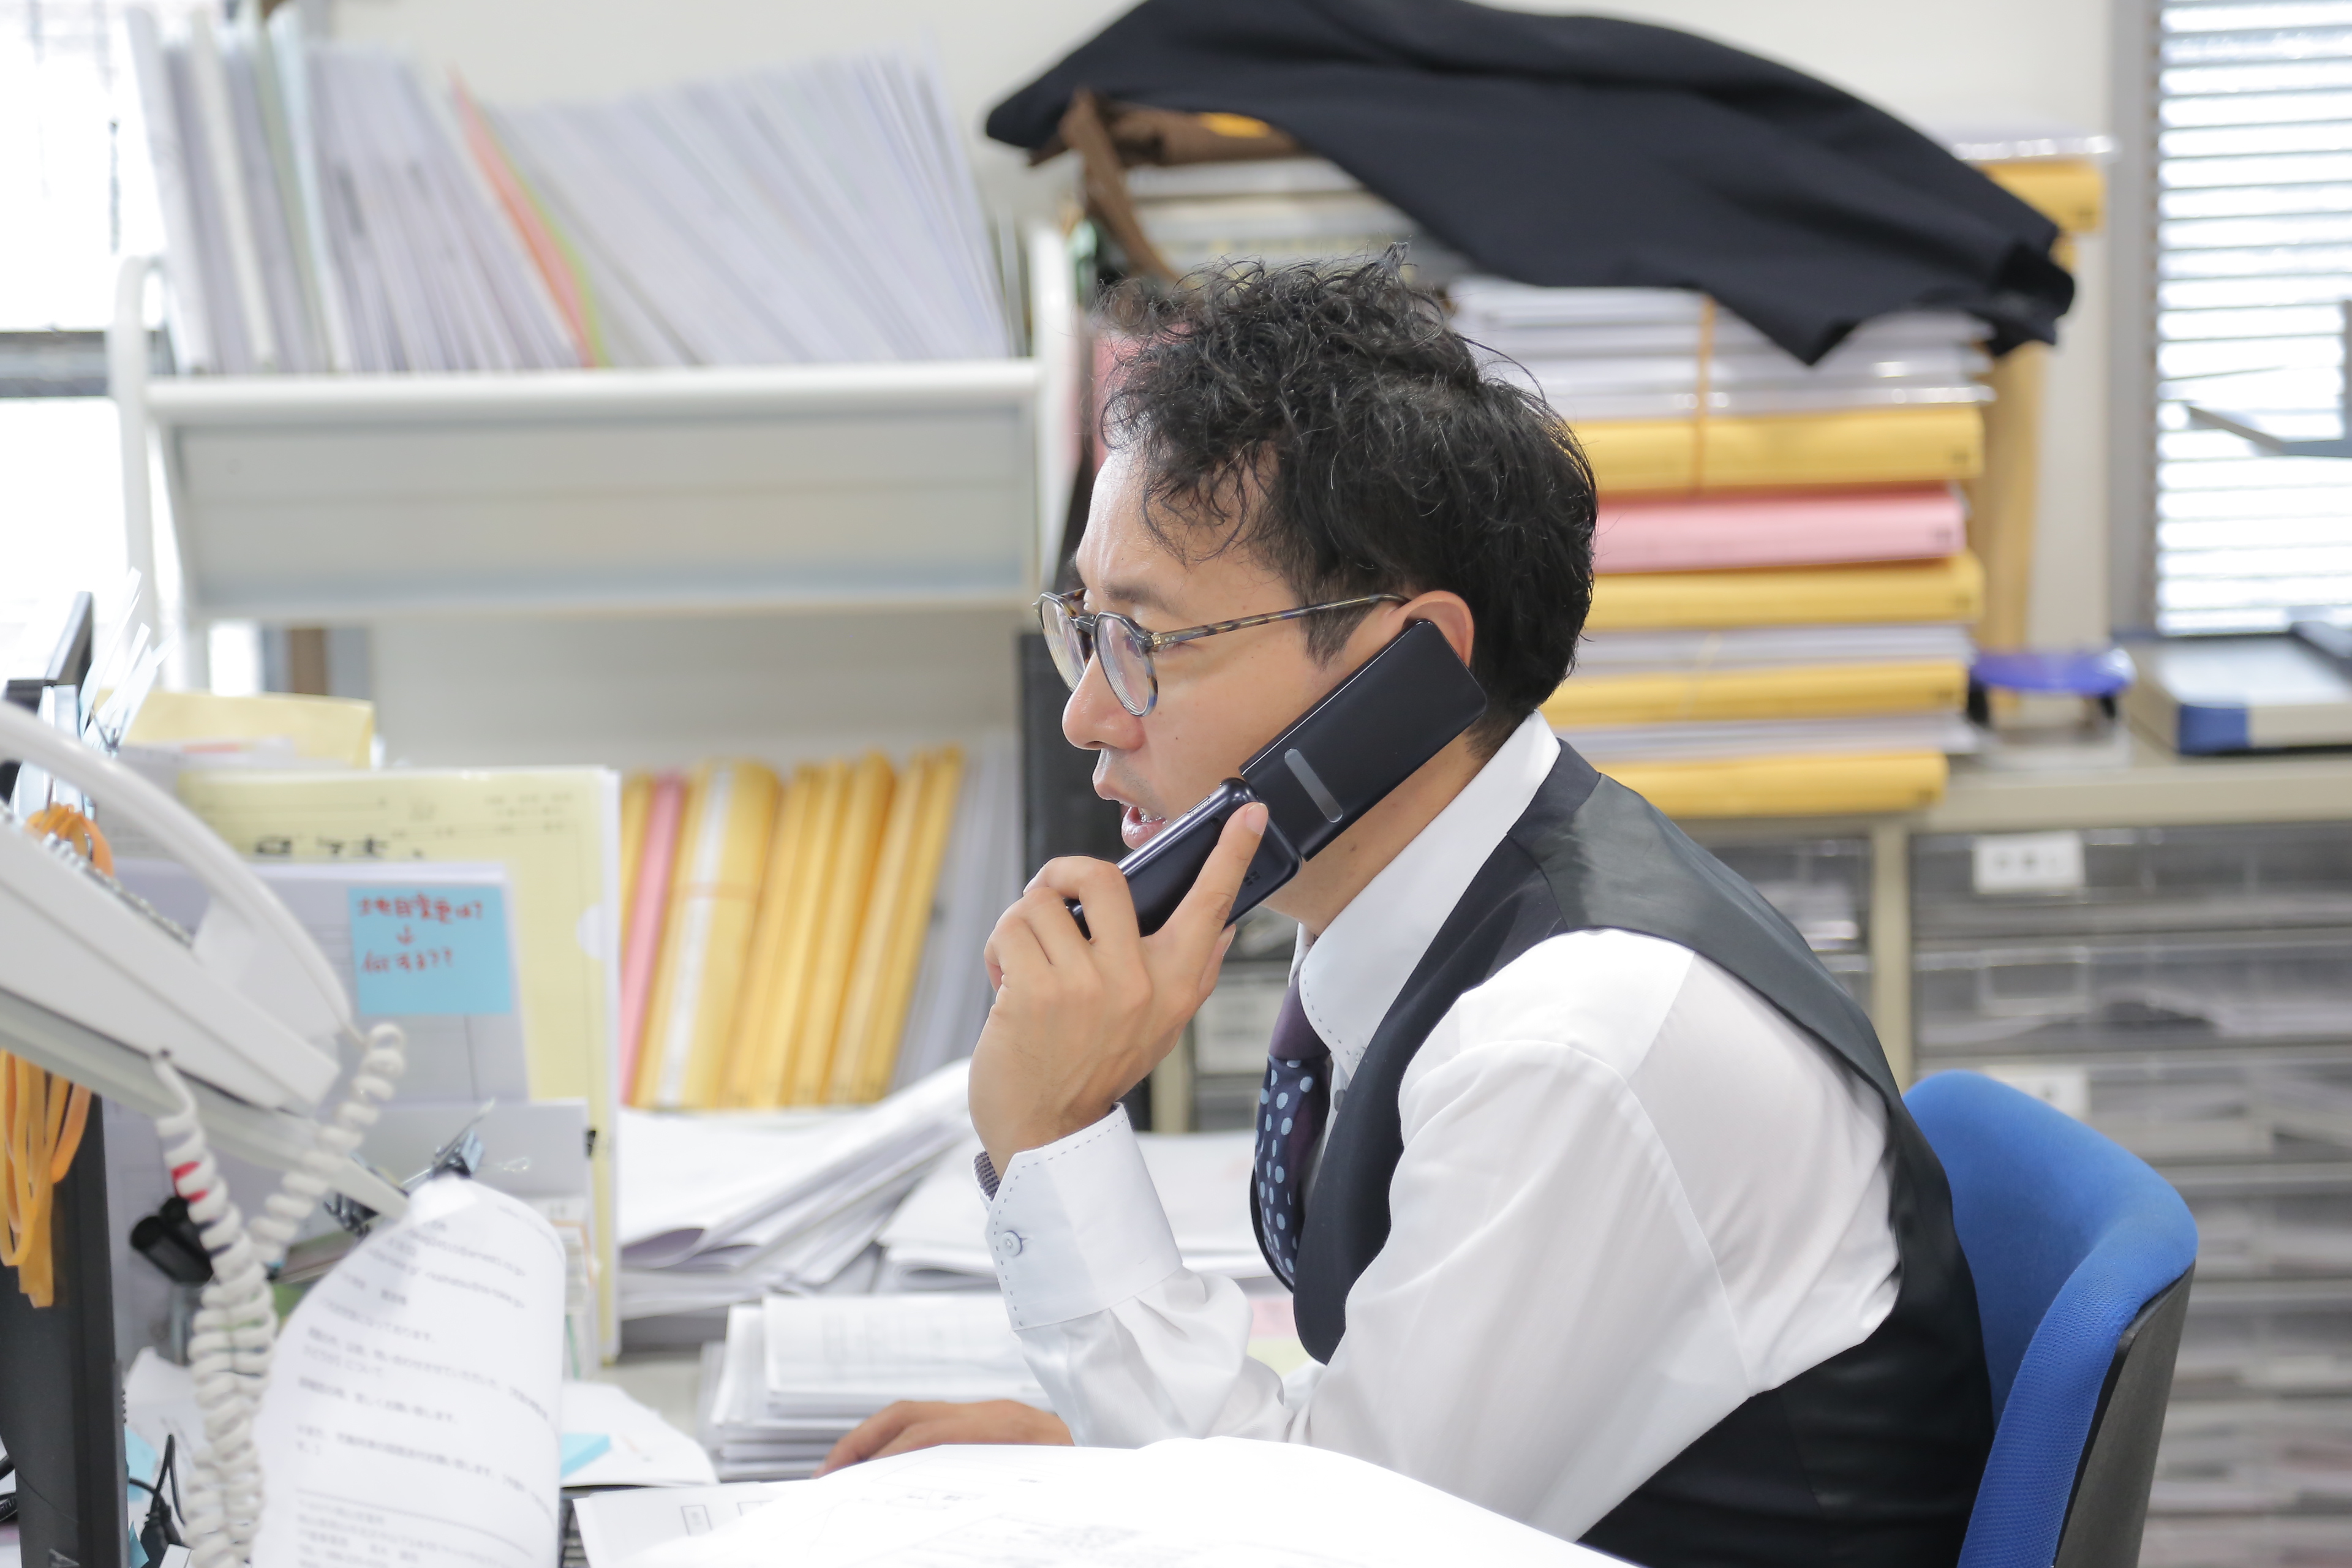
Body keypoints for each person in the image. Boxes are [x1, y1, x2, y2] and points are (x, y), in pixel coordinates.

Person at [824, 259, 1992, 1564]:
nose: (1087, 713)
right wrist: (1096, 1446)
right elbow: (1368, 1441)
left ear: (1401, 667)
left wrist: (1053, 1137)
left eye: (1145, 641)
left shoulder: (1571, 1042)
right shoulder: (1431, 909)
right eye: (1085, 627)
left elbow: (1337, 1551)